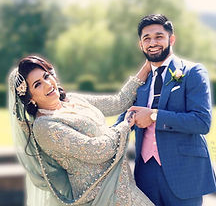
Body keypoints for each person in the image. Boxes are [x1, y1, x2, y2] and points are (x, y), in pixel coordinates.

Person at [8, 55, 154, 206]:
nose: (47, 84)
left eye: (46, 76)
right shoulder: (44, 127)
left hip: (124, 185)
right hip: (100, 197)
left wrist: (147, 67)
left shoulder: (72, 100)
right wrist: (127, 124)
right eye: (37, 84)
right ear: (29, 98)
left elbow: (117, 103)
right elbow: (97, 150)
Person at [115, 14, 216, 205]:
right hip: (145, 174)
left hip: (184, 172)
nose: (153, 42)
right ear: (141, 45)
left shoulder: (192, 72)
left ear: (171, 39)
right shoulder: (141, 82)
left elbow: (202, 122)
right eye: (147, 38)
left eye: (159, 36)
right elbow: (122, 119)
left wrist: (154, 116)